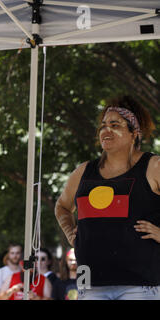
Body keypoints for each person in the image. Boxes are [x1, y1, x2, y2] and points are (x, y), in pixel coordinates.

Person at [55, 95, 160, 300]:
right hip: (89, 284)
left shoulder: (153, 166)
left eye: (115, 124)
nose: (106, 130)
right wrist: (70, 234)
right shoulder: (83, 172)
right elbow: (62, 207)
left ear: (134, 133)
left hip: (140, 285)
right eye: (103, 125)